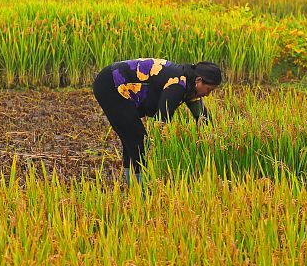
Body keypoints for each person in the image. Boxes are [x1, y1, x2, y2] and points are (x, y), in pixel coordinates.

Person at [92, 58, 222, 190]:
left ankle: (135, 189)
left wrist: (215, 143)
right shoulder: (177, 85)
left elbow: (203, 118)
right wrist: (164, 152)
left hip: (119, 84)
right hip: (112, 84)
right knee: (139, 141)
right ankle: (140, 192)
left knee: (132, 141)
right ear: (198, 81)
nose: (207, 94)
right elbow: (160, 121)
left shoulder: (190, 84)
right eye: (208, 89)